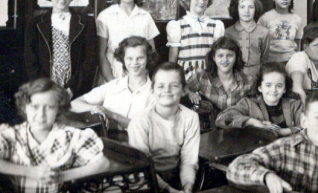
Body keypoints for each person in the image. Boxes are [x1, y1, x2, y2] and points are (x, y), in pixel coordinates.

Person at [0, 78, 108, 193]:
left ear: (58, 109)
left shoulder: (69, 135)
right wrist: (29, 171)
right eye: (35, 107)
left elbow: (103, 163)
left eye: (49, 107)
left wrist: (62, 176)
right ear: (24, 108)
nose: (41, 115)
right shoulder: (13, 135)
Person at [128, 62, 200, 193]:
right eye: (160, 86)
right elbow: (142, 167)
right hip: (146, 180)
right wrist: (169, 190)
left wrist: (187, 188)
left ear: (184, 90)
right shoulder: (140, 120)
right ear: (152, 90)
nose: (167, 90)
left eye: (174, 86)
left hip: (177, 176)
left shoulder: (191, 117)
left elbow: (189, 161)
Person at [25, 0, 98, 99]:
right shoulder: (36, 24)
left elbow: (89, 59)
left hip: (76, 90)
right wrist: (46, 88)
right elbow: (31, 59)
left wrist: (72, 88)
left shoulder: (86, 23)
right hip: (45, 90)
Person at [71, 37, 157, 132]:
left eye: (140, 58)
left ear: (148, 59)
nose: (134, 63)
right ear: (123, 59)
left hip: (138, 145)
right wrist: (96, 108)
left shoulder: (155, 93)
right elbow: (73, 104)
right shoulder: (113, 86)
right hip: (106, 142)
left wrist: (111, 114)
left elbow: (144, 128)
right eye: (129, 58)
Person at [97, 0, 159, 83]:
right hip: (113, 75)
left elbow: (152, 52)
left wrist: (143, 77)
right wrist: (112, 83)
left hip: (139, 75)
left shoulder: (145, 16)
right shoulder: (105, 16)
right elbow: (101, 54)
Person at [215, 63, 304, 136]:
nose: (273, 90)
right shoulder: (248, 104)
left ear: (285, 89)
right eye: (268, 85)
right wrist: (252, 122)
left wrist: (285, 131)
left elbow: (310, 126)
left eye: (279, 86)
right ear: (260, 87)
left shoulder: (295, 106)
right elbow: (221, 119)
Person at [166, 0, 225, 79]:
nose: (201, 1)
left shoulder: (216, 25)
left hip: (209, 75)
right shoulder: (178, 25)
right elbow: (173, 58)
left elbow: (218, 54)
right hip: (185, 76)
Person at [185, 37, 256, 112]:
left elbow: (253, 106)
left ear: (236, 57)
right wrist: (190, 93)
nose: (225, 60)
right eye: (220, 56)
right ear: (214, 58)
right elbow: (183, 88)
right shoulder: (201, 77)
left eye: (230, 55)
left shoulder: (246, 81)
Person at [226, 0, 269, 82]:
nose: (246, 11)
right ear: (236, 9)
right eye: (242, 7)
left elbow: (264, 58)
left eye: (251, 7)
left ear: (256, 9)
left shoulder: (264, 32)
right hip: (234, 75)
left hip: (256, 75)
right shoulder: (228, 32)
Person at [259, 0, 305, 67]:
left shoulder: (297, 19)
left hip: (291, 62)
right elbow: (259, 44)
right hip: (270, 62)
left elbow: (298, 46)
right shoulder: (265, 18)